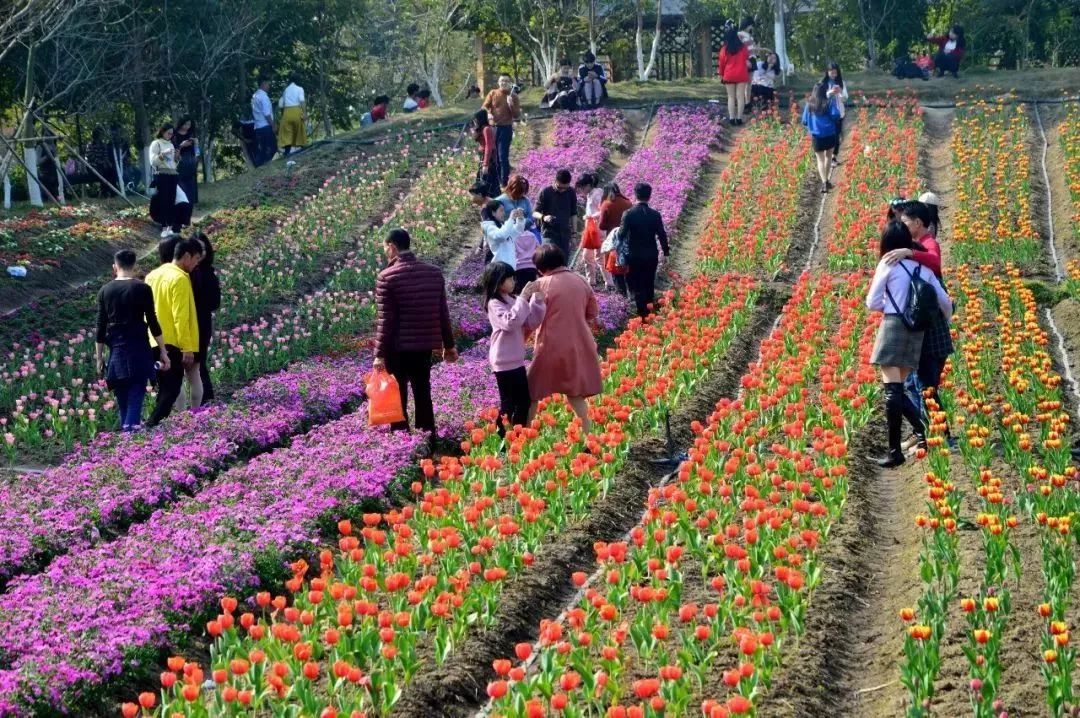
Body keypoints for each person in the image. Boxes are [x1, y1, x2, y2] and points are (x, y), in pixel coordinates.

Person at [866, 221, 952, 468]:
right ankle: (923, 431)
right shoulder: (923, 269)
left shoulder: (887, 264)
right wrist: (942, 318)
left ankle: (896, 451)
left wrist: (892, 309)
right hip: (916, 333)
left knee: (892, 391)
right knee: (898, 389)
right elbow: (945, 303)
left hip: (893, 327)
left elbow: (872, 301)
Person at [373, 229, 458, 435]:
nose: (385, 252)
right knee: (422, 393)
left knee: (398, 395)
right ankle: (427, 440)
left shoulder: (387, 277)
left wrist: (379, 354)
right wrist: (449, 346)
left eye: (385, 248)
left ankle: (401, 443)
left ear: (392, 247)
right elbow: (442, 313)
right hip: (423, 347)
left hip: (397, 348)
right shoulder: (433, 273)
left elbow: (386, 321)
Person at [883, 201, 954, 450]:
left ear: (918, 223)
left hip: (928, 327)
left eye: (905, 222)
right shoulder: (912, 249)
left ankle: (939, 436)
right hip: (924, 324)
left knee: (925, 386)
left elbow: (935, 264)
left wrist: (910, 254)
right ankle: (924, 433)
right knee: (919, 385)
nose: (902, 226)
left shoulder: (927, 245)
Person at [523, 244, 602, 433]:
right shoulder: (581, 280)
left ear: (541, 267)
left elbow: (529, 319)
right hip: (580, 344)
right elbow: (592, 313)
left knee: (532, 392)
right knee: (574, 393)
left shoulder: (540, 285)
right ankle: (588, 435)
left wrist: (520, 340)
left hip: (550, 345)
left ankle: (524, 433)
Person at [96, 249, 170, 432]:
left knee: (122, 396)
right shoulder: (142, 288)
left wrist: (99, 358)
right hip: (139, 348)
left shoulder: (105, 291)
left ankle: (126, 437)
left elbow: (100, 327)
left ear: (115, 267)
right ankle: (129, 436)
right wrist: (163, 351)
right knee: (137, 393)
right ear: (134, 266)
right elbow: (153, 322)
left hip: (116, 349)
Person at [145, 238, 203, 427]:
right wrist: (187, 347)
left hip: (153, 340)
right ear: (186, 256)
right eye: (195, 259)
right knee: (171, 388)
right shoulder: (179, 278)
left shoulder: (152, 275)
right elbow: (181, 316)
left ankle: (156, 425)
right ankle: (152, 424)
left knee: (163, 387)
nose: (195, 265)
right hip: (172, 342)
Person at [483, 261, 546, 435]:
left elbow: (531, 322)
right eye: (509, 279)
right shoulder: (494, 304)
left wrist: (537, 300)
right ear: (497, 281)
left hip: (516, 359)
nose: (513, 282)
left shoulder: (513, 300)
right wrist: (523, 298)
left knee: (524, 401)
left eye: (513, 278)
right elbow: (510, 323)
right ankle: (503, 437)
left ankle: (516, 434)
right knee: (509, 403)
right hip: (503, 360)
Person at [618, 182, 669, 317]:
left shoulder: (628, 214)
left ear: (635, 195)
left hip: (634, 255)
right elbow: (662, 235)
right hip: (651, 254)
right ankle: (649, 309)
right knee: (649, 281)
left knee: (636, 284)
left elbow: (621, 235)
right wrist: (666, 252)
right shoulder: (655, 214)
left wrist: (617, 249)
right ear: (649, 196)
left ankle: (641, 312)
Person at [189, 232, 221, 404]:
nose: (200, 254)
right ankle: (202, 400)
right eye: (196, 250)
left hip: (201, 323)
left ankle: (205, 399)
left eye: (203, 249)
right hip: (186, 323)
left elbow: (215, 303)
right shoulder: (185, 274)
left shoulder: (208, 274)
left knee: (199, 362)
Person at [149, 124, 189, 238]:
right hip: (162, 175)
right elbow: (153, 162)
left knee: (172, 201)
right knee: (163, 201)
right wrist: (163, 154)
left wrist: (177, 157)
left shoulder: (171, 144)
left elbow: (173, 164)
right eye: (168, 133)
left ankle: (170, 228)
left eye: (172, 134)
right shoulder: (156, 143)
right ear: (162, 131)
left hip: (172, 175)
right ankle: (163, 227)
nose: (170, 136)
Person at [801, 82, 842, 193]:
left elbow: (804, 121)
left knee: (820, 160)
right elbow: (836, 115)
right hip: (829, 133)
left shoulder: (809, 104)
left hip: (816, 136)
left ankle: (824, 182)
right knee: (828, 157)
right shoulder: (828, 102)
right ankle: (827, 180)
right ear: (824, 91)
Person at [482, 75, 521, 188]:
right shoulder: (493, 93)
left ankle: (504, 182)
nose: (504, 83)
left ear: (510, 83)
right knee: (494, 156)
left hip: (506, 128)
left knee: (502, 156)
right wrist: (489, 113)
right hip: (493, 128)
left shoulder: (513, 96)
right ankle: (497, 180)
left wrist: (511, 104)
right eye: (502, 81)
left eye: (506, 81)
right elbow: (484, 107)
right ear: (498, 82)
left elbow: (517, 115)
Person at [534, 168, 578, 257]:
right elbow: (534, 212)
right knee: (549, 261)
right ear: (555, 181)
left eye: (565, 188)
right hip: (549, 234)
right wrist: (544, 217)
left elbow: (573, 214)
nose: (562, 190)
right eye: (560, 187)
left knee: (563, 262)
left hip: (565, 234)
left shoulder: (571, 192)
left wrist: (574, 235)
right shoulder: (545, 192)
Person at [599, 182, 633, 295]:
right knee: (628, 269)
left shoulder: (607, 204)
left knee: (616, 271)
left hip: (614, 241)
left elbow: (602, 226)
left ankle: (621, 296)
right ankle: (632, 294)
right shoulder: (628, 203)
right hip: (629, 240)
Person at [718, 26, 750, 125]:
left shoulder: (724, 49)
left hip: (729, 74)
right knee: (740, 97)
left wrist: (721, 75)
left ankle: (732, 118)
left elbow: (721, 63)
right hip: (741, 74)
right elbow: (746, 59)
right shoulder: (743, 48)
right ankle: (739, 118)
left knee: (731, 97)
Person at [576, 173, 604, 286]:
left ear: (588, 185)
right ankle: (591, 282)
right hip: (591, 230)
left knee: (598, 257)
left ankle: (608, 283)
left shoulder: (597, 194)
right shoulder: (591, 194)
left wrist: (590, 217)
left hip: (597, 230)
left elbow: (603, 211)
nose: (581, 191)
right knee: (589, 256)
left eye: (582, 188)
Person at [481, 200, 526, 268]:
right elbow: (502, 235)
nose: (504, 213)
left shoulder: (502, 226)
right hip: (500, 268)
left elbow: (517, 231)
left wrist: (520, 218)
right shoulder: (490, 228)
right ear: (493, 213)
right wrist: (511, 219)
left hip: (510, 267)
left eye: (503, 210)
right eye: (501, 211)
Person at [172, 117, 199, 219]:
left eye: (189, 124)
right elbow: (173, 152)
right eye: (185, 124)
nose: (187, 127)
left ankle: (187, 218)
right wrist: (181, 146)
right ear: (181, 123)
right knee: (181, 192)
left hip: (190, 164)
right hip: (179, 164)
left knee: (190, 193)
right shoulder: (174, 134)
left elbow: (197, 152)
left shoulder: (191, 134)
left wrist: (196, 144)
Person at [823, 62, 849, 164]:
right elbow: (819, 96)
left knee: (837, 135)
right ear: (827, 72)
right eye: (831, 72)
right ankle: (828, 157)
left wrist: (840, 92)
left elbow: (846, 98)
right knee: (829, 136)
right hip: (827, 114)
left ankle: (834, 157)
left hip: (839, 114)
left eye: (835, 73)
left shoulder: (841, 82)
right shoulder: (823, 83)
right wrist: (829, 93)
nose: (834, 75)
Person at [278, 75, 307, 156]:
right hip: (296, 111)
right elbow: (302, 101)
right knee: (300, 129)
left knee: (287, 132)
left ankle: (287, 152)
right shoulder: (299, 89)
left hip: (287, 112)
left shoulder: (285, 91)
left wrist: (283, 114)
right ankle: (302, 147)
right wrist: (304, 113)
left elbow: (281, 104)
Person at [472, 109, 498, 198]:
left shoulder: (487, 129)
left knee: (487, 177)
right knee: (483, 177)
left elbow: (489, 146)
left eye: (476, 119)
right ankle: (485, 196)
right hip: (483, 156)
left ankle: (489, 196)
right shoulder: (482, 128)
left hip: (488, 157)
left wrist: (485, 164)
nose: (474, 121)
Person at [251, 78, 277, 166]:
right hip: (265, 126)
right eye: (268, 84)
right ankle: (264, 165)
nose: (269, 86)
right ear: (263, 84)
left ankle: (259, 166)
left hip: (258, 127)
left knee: (263, 149)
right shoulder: (263, 97)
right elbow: (267, 114)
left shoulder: (255, 96)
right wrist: (273, 125)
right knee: (272, 148)